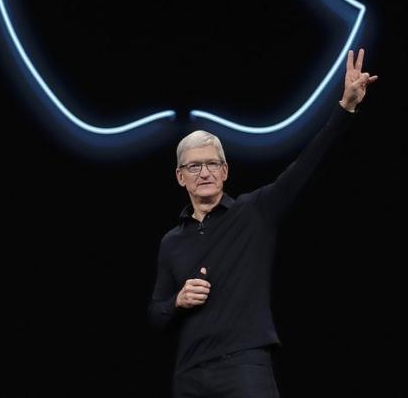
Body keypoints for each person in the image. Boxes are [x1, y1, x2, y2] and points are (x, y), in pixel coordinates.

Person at [148, 47, 378, 397]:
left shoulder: (254, 212)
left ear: (225, 171)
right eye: (195, 166)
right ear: (181, 177)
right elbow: (156, 314)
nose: (205, 172)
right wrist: (176, 301)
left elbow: (306, 166)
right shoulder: (172, 241)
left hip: (243, 368)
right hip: (189, 375)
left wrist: (345, 108)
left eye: (212, 164)